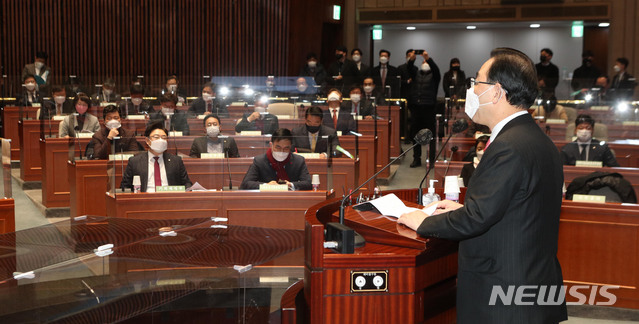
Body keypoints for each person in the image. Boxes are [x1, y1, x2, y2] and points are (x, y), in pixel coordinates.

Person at [398, 48, 567, 324]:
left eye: (477, 82)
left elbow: (476, 220)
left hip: (504, 295)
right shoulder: (535, 138)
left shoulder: (508, 146)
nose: (472, 90)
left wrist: (423, 222)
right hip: (530, 284)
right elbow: (517, 206)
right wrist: (465, 208)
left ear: (497, 92)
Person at [120, 122, 192, 192]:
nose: (160, 140)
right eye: (156, 137)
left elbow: (187, 183)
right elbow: (125, 187)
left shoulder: (176, 161)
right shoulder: (135, 161)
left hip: (170, 200)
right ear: (147, 141)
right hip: (144, 200)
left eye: (164, 137)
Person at [239, 128, 312, 190]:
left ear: (290, 147)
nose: (282, 151)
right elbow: (246, 183)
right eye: (278, 147)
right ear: (271, 145)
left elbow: (308, 184)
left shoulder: (298, 161)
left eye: (286, 148)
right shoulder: (259, 161)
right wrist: (266, 185)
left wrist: (291, 185)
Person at [405, 50, 440, 168]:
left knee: (431, 135)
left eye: (426, 62)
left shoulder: (435, 76)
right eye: (423, 61)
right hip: (416, 108)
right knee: (416, 134)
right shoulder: (416, 74)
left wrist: (428, 58)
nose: (424, 62)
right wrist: (412, 58)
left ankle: (431, 159)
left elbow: (436, 70)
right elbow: (409, 67)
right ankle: (416, 158)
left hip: (429, 108)